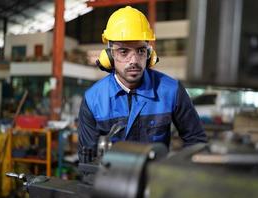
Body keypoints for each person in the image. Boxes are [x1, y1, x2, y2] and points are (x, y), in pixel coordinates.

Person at [78, 6, 207, 159]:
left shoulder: (171, 91)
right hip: (111, 180)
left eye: (140, 51)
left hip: (156, 179)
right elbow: (87, 159)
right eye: (124, 51)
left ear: (149, 54)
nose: (133, 61)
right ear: (109, 56)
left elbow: (197, 142)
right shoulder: (93, 100)